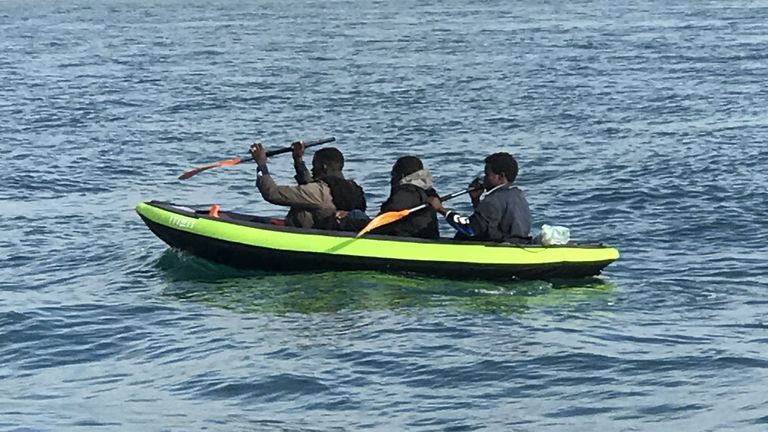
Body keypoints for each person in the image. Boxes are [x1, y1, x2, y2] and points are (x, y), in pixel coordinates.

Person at [250, 141, 367, 230]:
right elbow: (311, 187)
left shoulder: (320, 192)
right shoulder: (352, 189)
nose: (312, 169)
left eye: (314, 165)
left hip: (305, 232)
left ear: (324, 167)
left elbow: (272, 193)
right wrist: (298, 160)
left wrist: (262, 166)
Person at [427, 152, 531, 243]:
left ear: (501, 176)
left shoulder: (493, 200)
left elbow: (469, 228)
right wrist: (475, 200)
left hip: (503, 246)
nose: (483, 179)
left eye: (487, 175)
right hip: (517, 242)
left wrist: (440, 209)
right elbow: (488, 223)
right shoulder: (518, 194)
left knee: (462, 235)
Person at [365, 156, 440, 238]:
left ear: (401, 175)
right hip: (423, 238)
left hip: (407, 241)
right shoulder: (427, 193)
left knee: (355, 215)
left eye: (393, 174)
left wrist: (351, 223)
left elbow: (381, 224)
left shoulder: (407, 193)